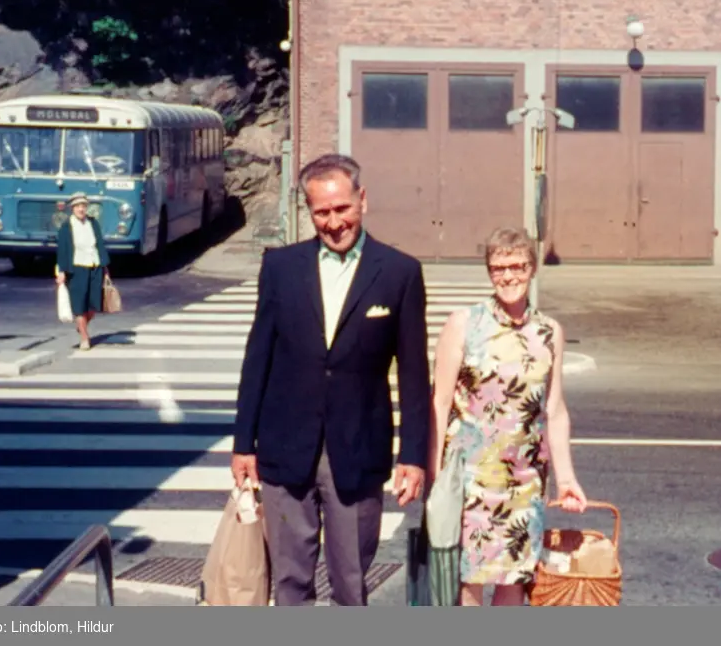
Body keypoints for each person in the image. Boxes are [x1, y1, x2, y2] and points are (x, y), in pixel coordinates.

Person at [231, 153, 431, 606]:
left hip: (358, 453)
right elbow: (257, 357)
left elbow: (415, 375)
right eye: (322, 212)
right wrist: (244, 443)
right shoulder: (281, 267)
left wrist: (413, 456)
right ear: (309, 210)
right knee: (289, 583)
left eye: (342, 209)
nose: (334, 222)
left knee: (351, 585)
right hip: (284, 449)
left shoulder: (399, 272)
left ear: (362, 200)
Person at [428, 225, 587, 606]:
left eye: (517, 266)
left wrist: (566, 479)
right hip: (471, 478)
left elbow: (555, 408)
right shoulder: (465, 323)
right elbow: (440, 401)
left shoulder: (549, 332)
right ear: (488, 272)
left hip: (525, 479)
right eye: (498, 268)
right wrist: (434, 479)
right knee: (468, 580)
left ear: (532, 269)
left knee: (514, 578)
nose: (508, 276)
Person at [54, 192, 110, 350]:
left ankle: (82, 325)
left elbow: (99, 245)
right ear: (72, 208)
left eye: (84, 206)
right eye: (78, 206)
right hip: (76, 268)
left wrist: (105, 267)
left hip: (95, 266)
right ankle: (84, 337)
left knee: (94, 305)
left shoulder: (93, 223)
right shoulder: (66, 227)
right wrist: (61, 272)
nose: (81, 209)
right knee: (79, 304)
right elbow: (62, 251)